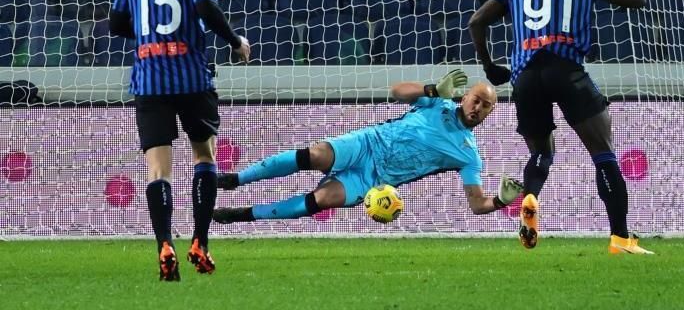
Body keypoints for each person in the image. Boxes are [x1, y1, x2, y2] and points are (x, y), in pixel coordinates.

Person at [469, 0, 653, 255]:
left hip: (525, 78)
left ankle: (531, 197)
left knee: (541, 153)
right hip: (566, 70)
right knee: (603, 152)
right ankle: (621, 239)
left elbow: (476, 21)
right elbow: (637, 1)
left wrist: (489, 66)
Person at [109, 0, 251, 281]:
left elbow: (116, 23)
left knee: (158, 168)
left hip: (149, 80)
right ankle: (200, 242)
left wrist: (148, 34)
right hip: (191, 77)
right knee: (204, 155)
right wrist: (235, 41)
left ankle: (164, 245)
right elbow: (206, 8)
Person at [212, 70, 524, 224]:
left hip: (374, 179)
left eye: (486, 106)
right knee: (315, 155)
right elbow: (397, 91)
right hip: (367, 143)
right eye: (476, 100)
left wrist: (500, 200)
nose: (478, 108)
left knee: (323, 198)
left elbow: (476, 204)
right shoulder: (437, 102)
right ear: (465, 96)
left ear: (490, 112)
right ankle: (235, 179)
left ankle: (244, 214)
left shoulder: (469, 155)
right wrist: (431, 88)